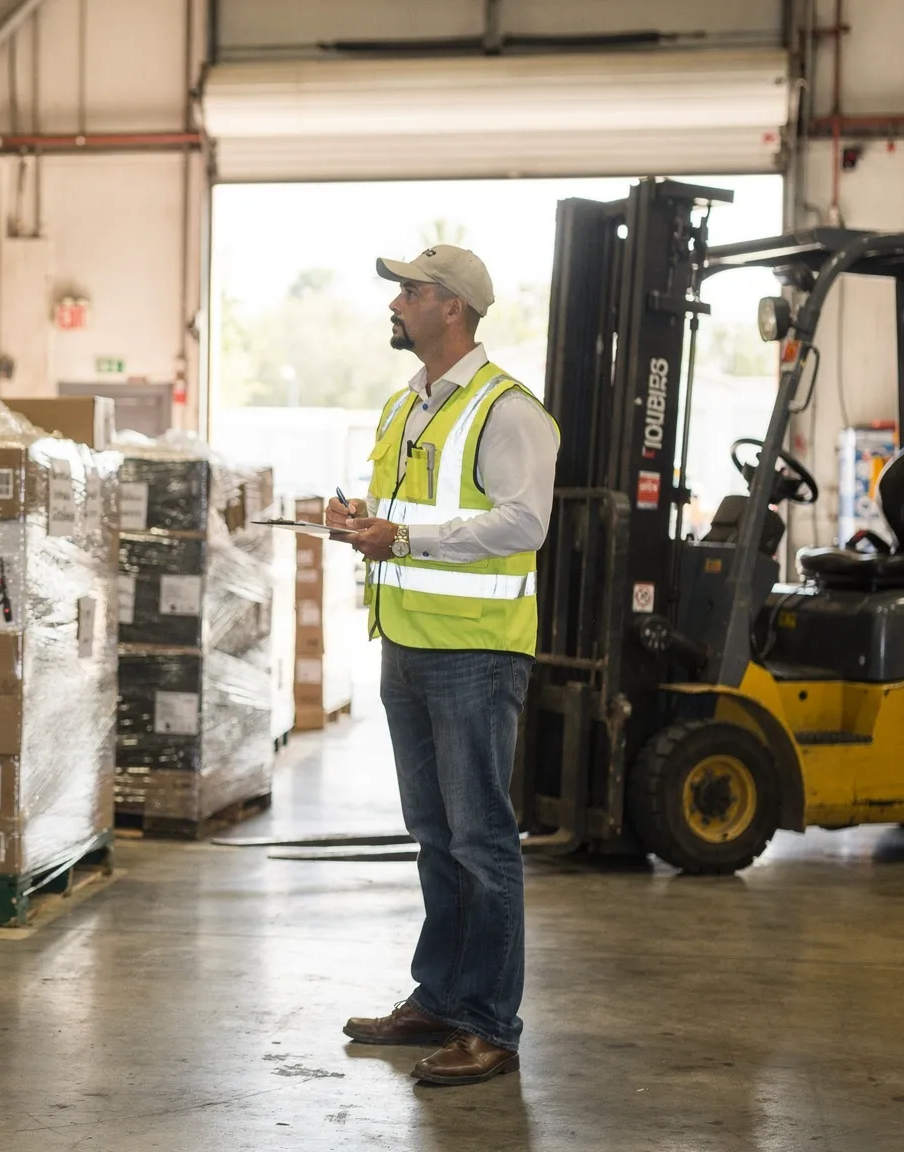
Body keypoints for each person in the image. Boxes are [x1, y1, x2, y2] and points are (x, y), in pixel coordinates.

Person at [327, 244, 558, 1087]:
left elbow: (524, 522)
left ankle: (489, 1026)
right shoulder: (409, 405)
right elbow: (406, 513)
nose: (397, 303)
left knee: (481, 841)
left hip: (474, 653)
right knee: (433, 836)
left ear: (452, 307)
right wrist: (360, 520)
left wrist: (408, 537)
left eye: (411, 292)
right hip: (410, 644)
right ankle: (442, 996)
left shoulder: (507, 411)